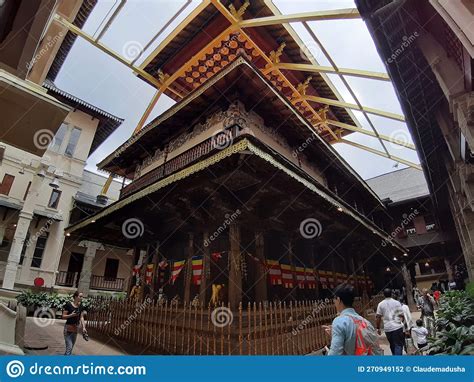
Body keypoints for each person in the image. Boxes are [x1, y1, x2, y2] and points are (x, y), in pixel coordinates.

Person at [324, 284, 382, 355]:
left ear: (338, 300)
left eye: (334, 299)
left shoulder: (338, 321)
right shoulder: (365, 321)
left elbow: (334, 354)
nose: (333, 302)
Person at [376, 288, 405, 355]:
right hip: (397, 327)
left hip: (388, 329)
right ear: (391, 294)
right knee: (398, 345)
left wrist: (378, 328)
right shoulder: (397, 302)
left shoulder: (380, 304)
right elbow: (402, 315)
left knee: (392, 345)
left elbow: (378, 317)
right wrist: (401, 322)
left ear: (384, 295)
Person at [62, 290, 87, 355]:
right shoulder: (68, 305)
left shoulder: (81, 306)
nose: (82, 298)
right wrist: (71, 315)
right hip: (68, 328)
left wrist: (84, 327)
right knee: (69, 347)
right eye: (80, 296)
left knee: (70, 348)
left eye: (82, 297)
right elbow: (63, 316)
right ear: (76, 297)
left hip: (75, 328)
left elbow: (81, 317)